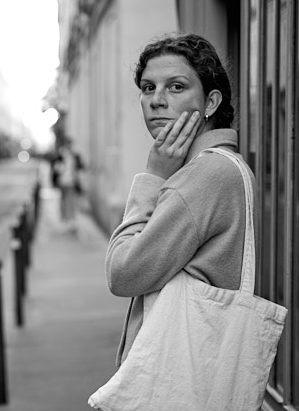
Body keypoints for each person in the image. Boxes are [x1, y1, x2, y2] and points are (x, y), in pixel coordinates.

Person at [105, 33, 253, 373]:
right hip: (199, 365)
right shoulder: (225, 166)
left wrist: (152, 177)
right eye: (148, 87)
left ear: (211, 103)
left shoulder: (204, 174)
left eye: (176, 87)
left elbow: (122, 273)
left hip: (180, 372)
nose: (157, 100)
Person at [53, 138, 84, 230]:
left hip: (72, 182)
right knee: (63, 201)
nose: (69, 147)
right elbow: (55, 168)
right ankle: (64, 220)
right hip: (63, 182)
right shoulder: (60, 155)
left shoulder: (74, 155)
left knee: (71, 202)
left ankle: (71, 220)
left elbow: (81, 166)